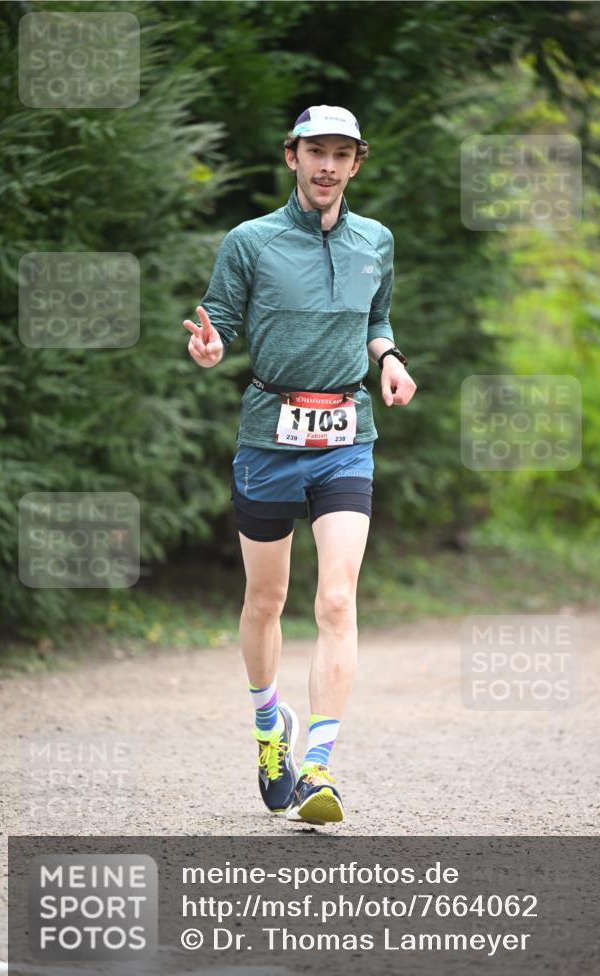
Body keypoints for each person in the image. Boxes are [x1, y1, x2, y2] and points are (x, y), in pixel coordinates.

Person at [184, 105, 416, 825]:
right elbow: (218, 314)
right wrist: (212, 345)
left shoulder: (374, 240)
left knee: (337, 600)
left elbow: (375, 320)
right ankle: (266, 729)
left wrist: (390, 358)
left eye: (340, 154)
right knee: (265, 601)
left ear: (356, 163)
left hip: (347, 432)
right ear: (292, 156)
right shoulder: (250, 241)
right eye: (315, 151)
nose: (326, 166)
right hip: (269, 437)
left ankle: (318, 766)